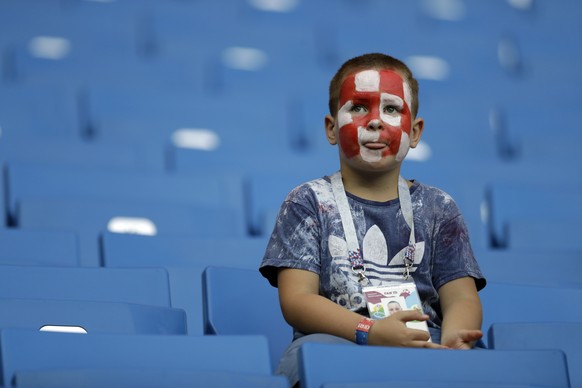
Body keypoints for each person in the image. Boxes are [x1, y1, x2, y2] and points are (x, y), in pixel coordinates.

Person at [259, 53, 486, 386]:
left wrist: (452, 341)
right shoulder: (307, 201)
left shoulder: (440, 207)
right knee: (310, 356)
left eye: (392, 109)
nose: (376, 121)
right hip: (339, 341)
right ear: (331, 128)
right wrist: (371, 331)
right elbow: (297, 300)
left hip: (423, 342)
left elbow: (462, 297)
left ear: (415, 131)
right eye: (359, 107)